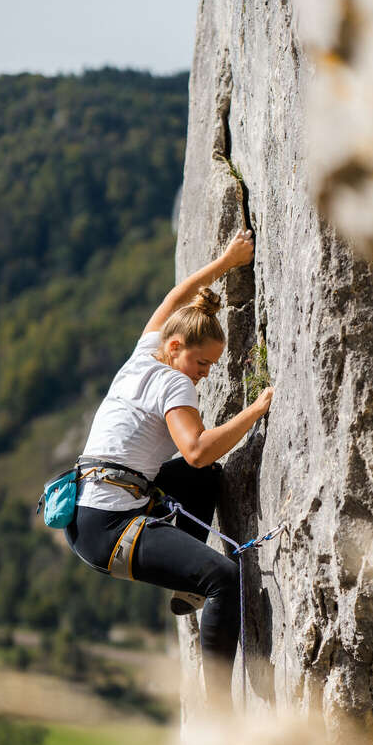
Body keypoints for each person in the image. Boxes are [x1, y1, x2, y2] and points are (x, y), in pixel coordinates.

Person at [65, 230, 274, 704]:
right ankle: (220, 711)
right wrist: (256, 410)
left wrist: (226, 260)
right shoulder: (174, 385)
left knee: (204, 478)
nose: (205, 373)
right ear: (176, 347)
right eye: (202, 363)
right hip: (112, 528)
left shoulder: (144, 355)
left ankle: (187, 591)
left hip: (87, 512)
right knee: (223, 577)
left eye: (210, 366)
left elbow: (177, 297)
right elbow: (197, 447)